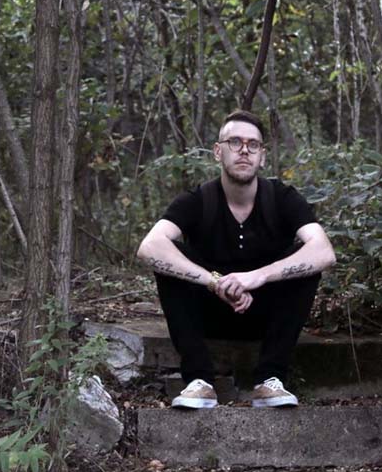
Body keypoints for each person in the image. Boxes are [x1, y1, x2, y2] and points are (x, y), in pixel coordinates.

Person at [136, 109, 336, 409]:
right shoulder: (198, 199)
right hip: (208, 316)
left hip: (266, 316)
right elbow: (149, 247)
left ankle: (270, 380)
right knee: (170, 258)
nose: (244, 150)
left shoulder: (281, 197)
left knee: (305, 261)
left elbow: (324, 252)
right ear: (218, 151)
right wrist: (215, 282)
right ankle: (198, 381)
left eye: (253, 144)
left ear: (263, 156)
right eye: (235, 142)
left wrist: (258, 276)